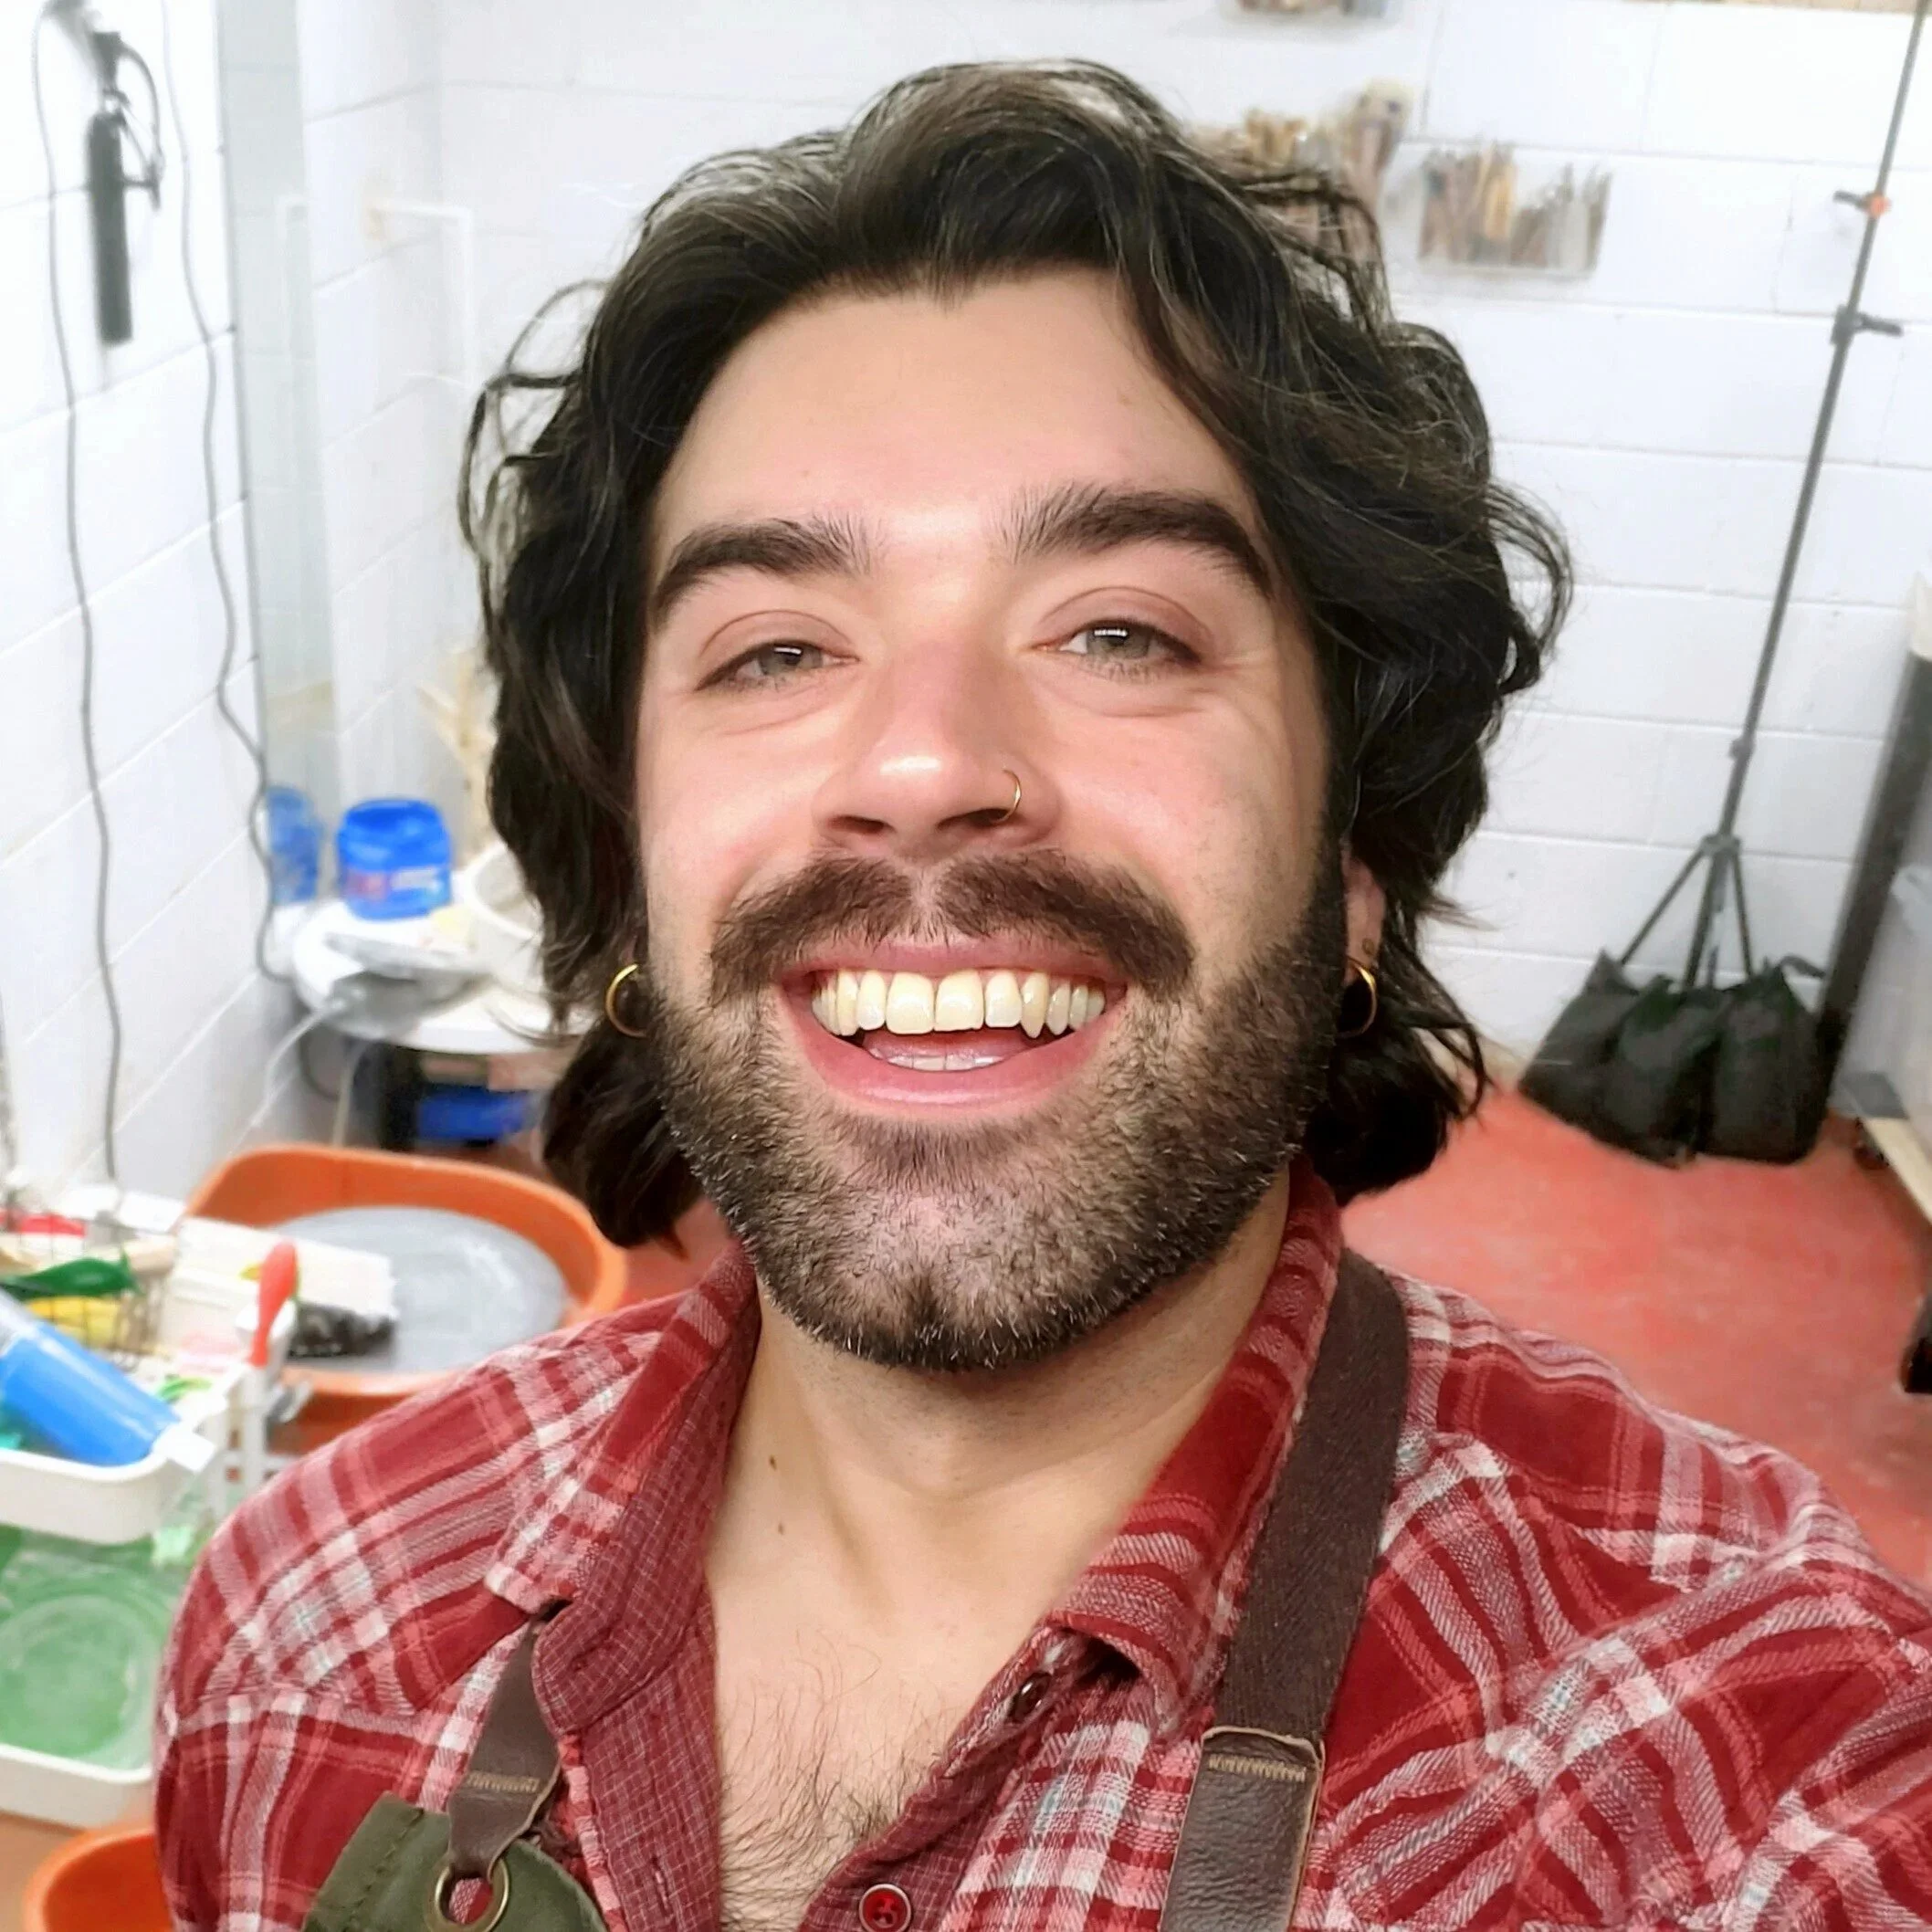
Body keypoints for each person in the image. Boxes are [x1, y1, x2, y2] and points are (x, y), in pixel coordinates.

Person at [157, 62, 1932, 1932]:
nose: (923, 760)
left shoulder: (1744, 1781)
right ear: (625, 868)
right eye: (772, 648)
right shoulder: (309, 1635)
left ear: (1350, 861)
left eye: (1118, 630)